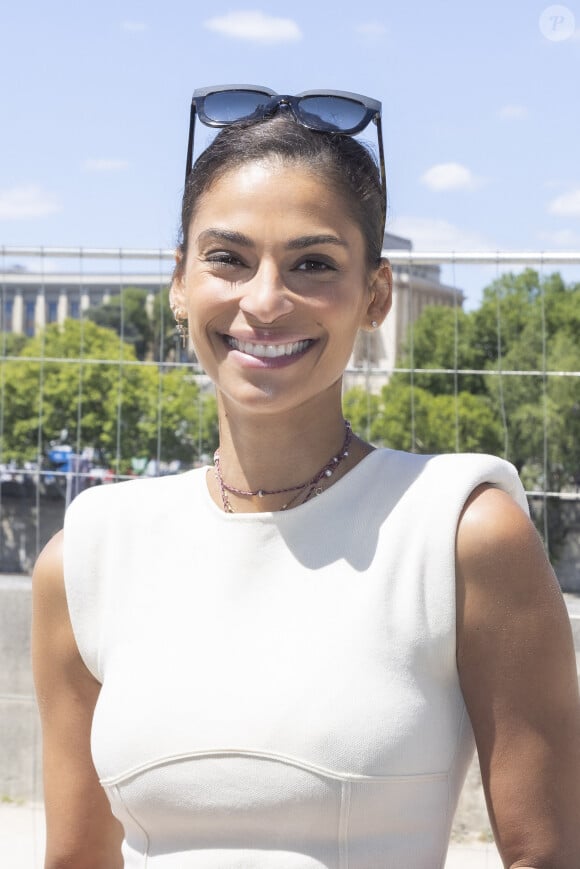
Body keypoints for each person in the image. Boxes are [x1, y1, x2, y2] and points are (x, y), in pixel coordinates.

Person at [32, 86, 580, 869]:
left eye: (312, 263)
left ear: (375, 295)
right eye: (227, 258)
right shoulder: (89, 553)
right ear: (179, 282)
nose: (264, 300)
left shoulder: (461, 534)